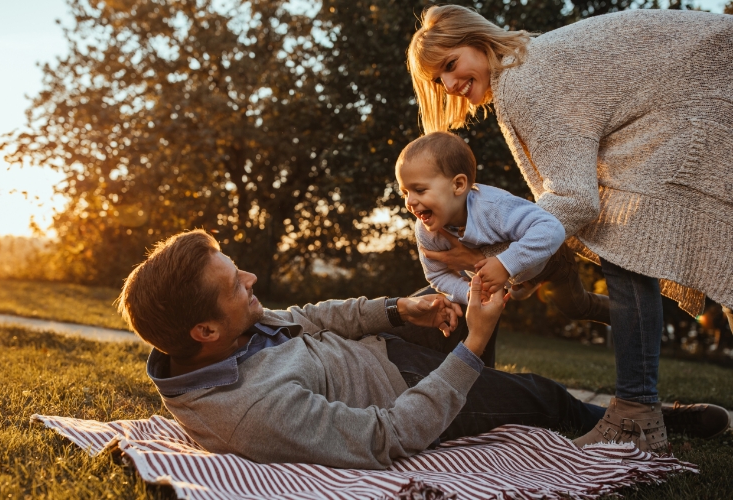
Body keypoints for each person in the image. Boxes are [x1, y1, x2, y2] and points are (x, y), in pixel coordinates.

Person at [407, 6, 733, 452]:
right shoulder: (525, 65)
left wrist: (505, 263)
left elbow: (575, 197)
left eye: (450, 65)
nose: (449, 86)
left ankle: (637, 413)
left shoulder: (523, 82)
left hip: (698, 92)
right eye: (438, 80)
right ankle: (639, 403)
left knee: (627, 237)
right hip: (689, 97)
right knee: (637, 243)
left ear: (478, 40)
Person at [116, 230, 727, 468]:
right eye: (234, 284)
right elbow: (385, 437)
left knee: (463, 295)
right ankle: (643, 420)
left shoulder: (228, 334)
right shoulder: (250, 411)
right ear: (204, 332)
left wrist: (399, 309)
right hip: (407, 393)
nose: (250, 282)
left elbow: (310, 316)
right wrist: (474, 346)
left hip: (389, 347)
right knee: (541, 395)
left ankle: (482, 367)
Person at [397, 131, 609, 325]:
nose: (410, 202)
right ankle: (520, 285)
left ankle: (624, 316)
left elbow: (551, 228)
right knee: (496, 298)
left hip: (550, 261)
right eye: (405, 192)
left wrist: (504, 265)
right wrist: (468, 292)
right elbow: (436, 275)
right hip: (509, 277)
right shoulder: (427, 230)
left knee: (576, 307)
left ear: (459, 185)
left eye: (419, 190)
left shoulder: (493, 208)